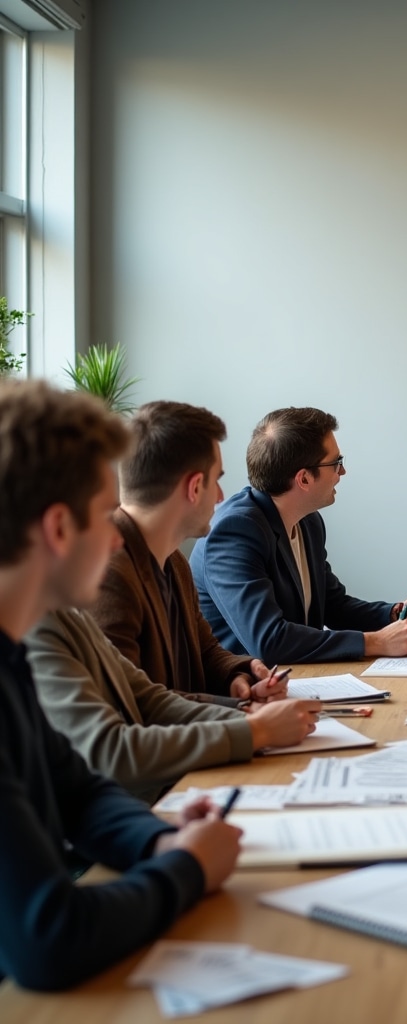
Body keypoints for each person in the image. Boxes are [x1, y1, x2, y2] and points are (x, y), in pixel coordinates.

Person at [0, 380, 240, 991]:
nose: (116, 538)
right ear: (58, 528)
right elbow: (47, 937)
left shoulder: (12, 655)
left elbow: (78, 790)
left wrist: (163, 840)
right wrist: (186, 868)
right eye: (104, 514)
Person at [191, 406, 407, 663]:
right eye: (336, 463)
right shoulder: (235, 531)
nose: (342, 472)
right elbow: (268, 641)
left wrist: (399, 614)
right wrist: (377, 641)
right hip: (244, 692)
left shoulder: (308, 521)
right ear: (303, 479)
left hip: (299, 679)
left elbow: (332, 605)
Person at [92, 401, 286, 705]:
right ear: (195, 487)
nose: (221, 496)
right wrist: (242, 712)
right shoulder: (107, 574)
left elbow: (206, 649)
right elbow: (132, 704)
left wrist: (238, 675)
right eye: (216, 480)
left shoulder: (173, 559)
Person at [27, 607, 321, 805]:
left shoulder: (68, 612)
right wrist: (255, 730)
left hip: (137, 810)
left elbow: (152, 700)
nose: (115, 539)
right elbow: (109, 754)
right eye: (105, 517)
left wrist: (249, 714)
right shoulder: (36, 628)